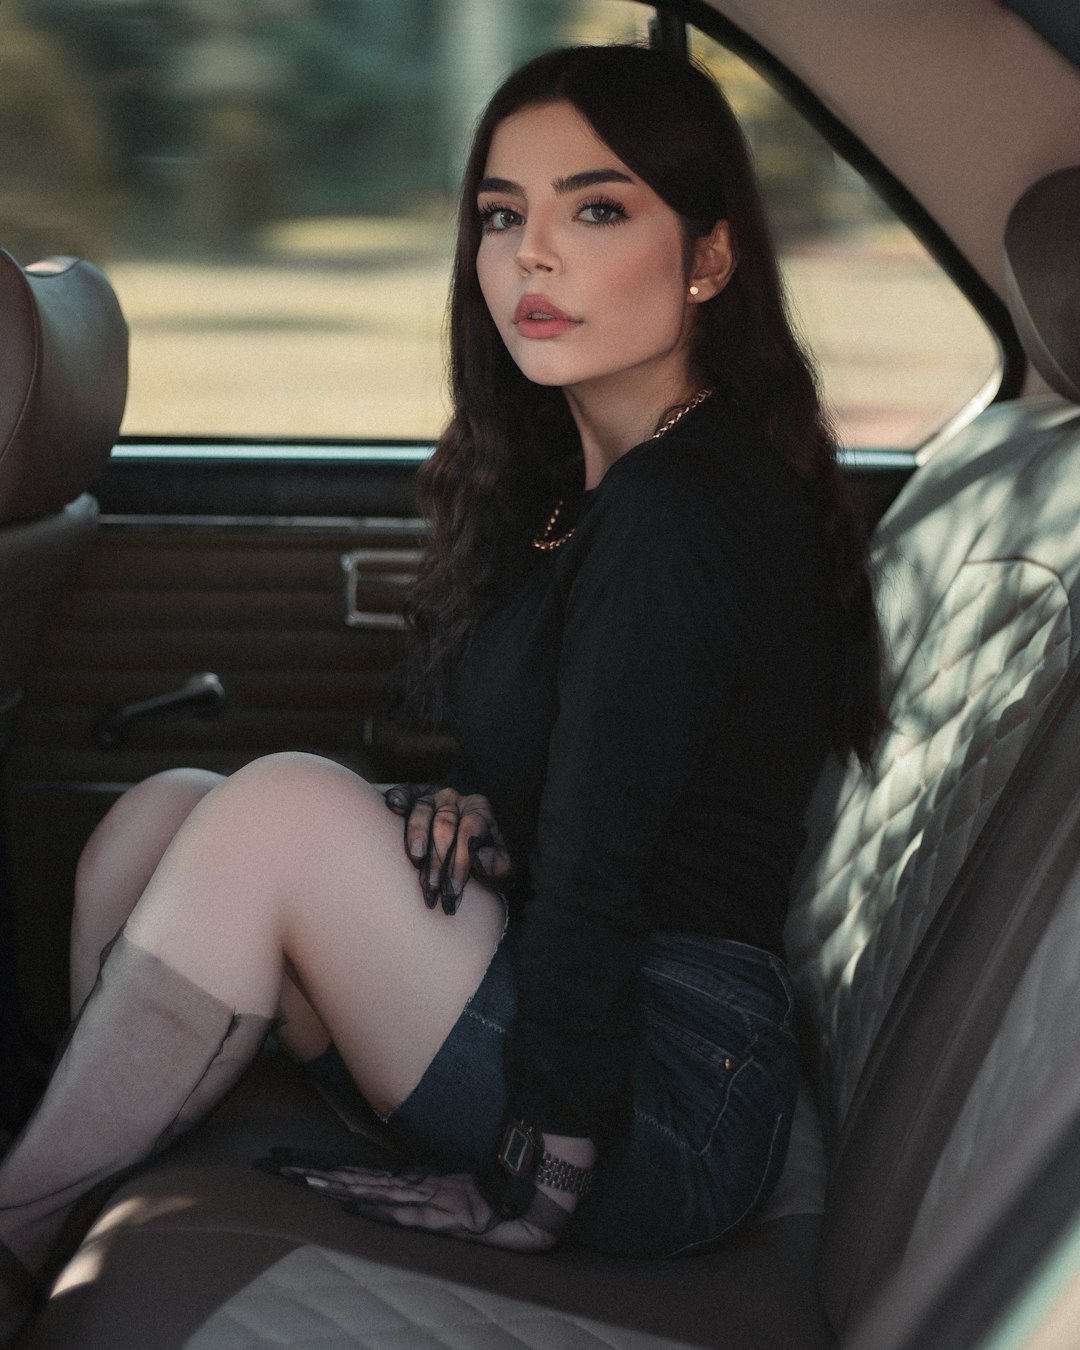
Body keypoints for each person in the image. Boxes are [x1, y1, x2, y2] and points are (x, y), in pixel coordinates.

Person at [0, 42, 883, 1338]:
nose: (532, 254)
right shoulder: (586, 488)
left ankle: (18, 1232)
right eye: (500, 216)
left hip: (664, 1096)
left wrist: (548, 1160)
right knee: (163, 815)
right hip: (603, 995)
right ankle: (90, 1188)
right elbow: (627, 781)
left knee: (281, 807)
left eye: (594, 209)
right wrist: (477, 807)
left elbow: (607, 859)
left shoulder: (680, 509)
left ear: (706, 256)